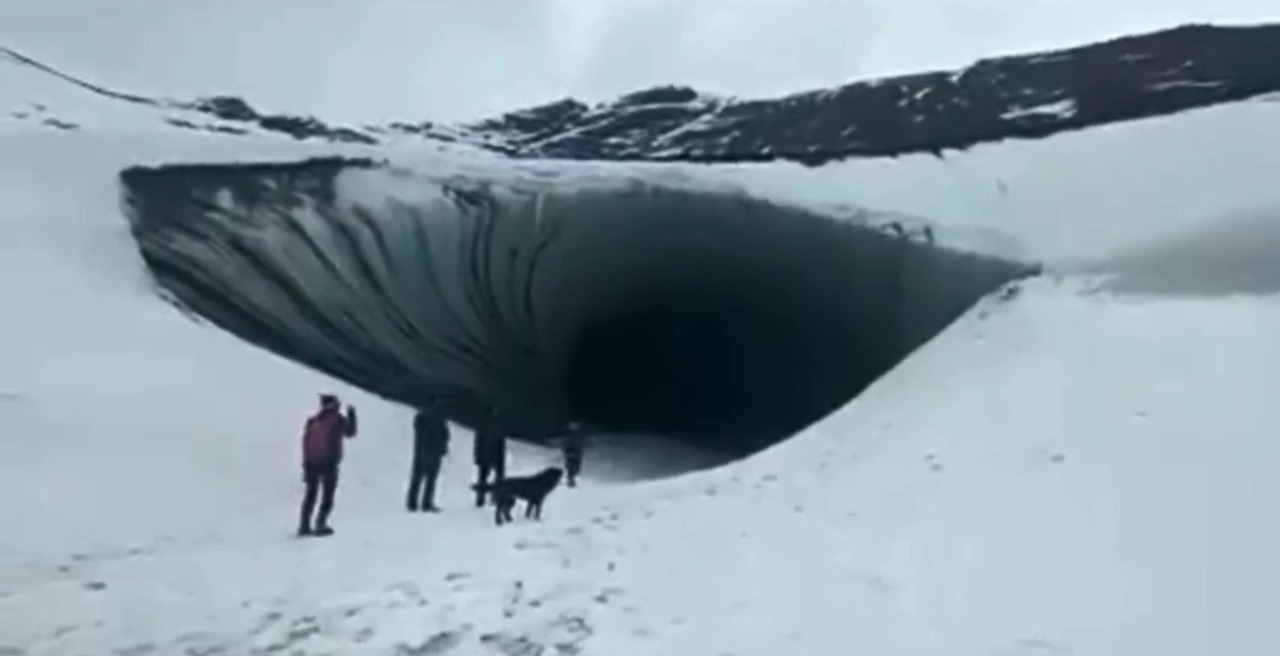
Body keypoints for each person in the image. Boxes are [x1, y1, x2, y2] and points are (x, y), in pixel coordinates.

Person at [298, 394, 357, 537]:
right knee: (327, 495)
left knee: (310, 495)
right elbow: (350, 432)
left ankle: (304, 526)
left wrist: (305, 465)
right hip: (329, 463)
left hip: (311, 463)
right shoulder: (337, 420)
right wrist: (352, 415)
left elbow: (305, 443)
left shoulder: (313, 421)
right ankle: (320, 524)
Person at [407, 400, 450, 513]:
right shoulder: (439, 417)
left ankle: (412, 503)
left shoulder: (421, 416)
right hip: (432, 451)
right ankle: (425, 503)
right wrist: (442, 448)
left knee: (418, 477)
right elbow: (444, 434)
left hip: (422, 450)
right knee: (430, 478)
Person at [472, 412, 507, 507]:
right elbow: (501, 443)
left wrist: (477, 456)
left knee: (484, 477)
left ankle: (481, 498)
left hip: (487, 454)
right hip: (494, 455)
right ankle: (493, 497)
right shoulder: (499, 425)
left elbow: (478, 442)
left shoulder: (483, 425)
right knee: (496, 477)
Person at [558, 422, 590, 488]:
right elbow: (584, 442)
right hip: (574, 453)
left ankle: (570, 478)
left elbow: (563, 443)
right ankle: (570, 478)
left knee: (572, 466)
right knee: (573, 466)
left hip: (573, 453)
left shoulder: (569, 435)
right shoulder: (579, 435)